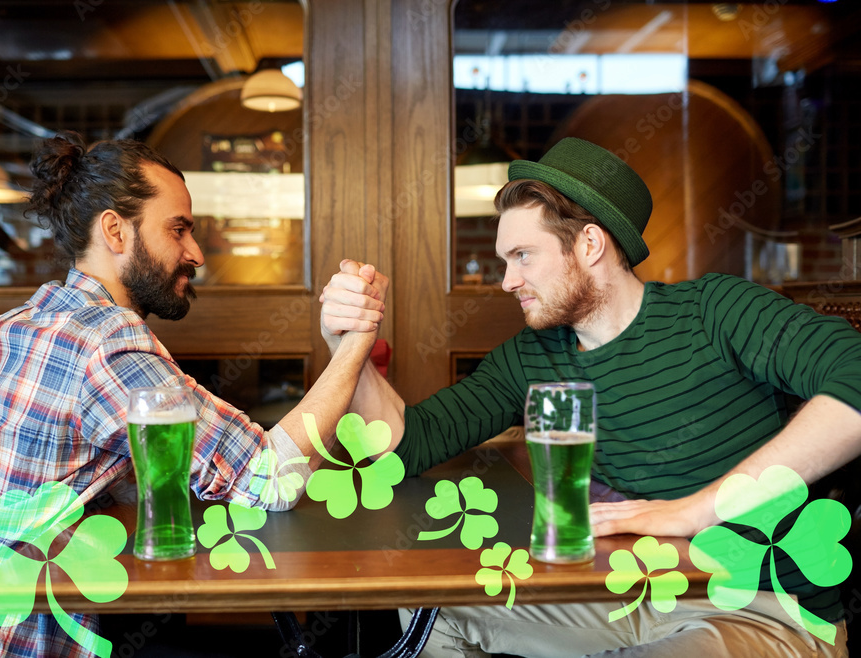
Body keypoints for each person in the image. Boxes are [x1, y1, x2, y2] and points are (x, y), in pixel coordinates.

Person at [319, 137, 861, 657]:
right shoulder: (531, 358)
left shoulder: (716, 311)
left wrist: (694, 511)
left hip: (764, 607)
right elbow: (405, 446)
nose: (507, 281)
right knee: (427, 612)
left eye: (524, 255)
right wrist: (351, 350)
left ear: (591, 244)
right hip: (635, 594)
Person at [0, 131, 382, 656]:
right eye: (178, 230)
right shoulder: (105, 341)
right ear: (115, 230)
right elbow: (270, 479)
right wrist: (353, 345)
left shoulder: (30, 319)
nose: (195, 253)